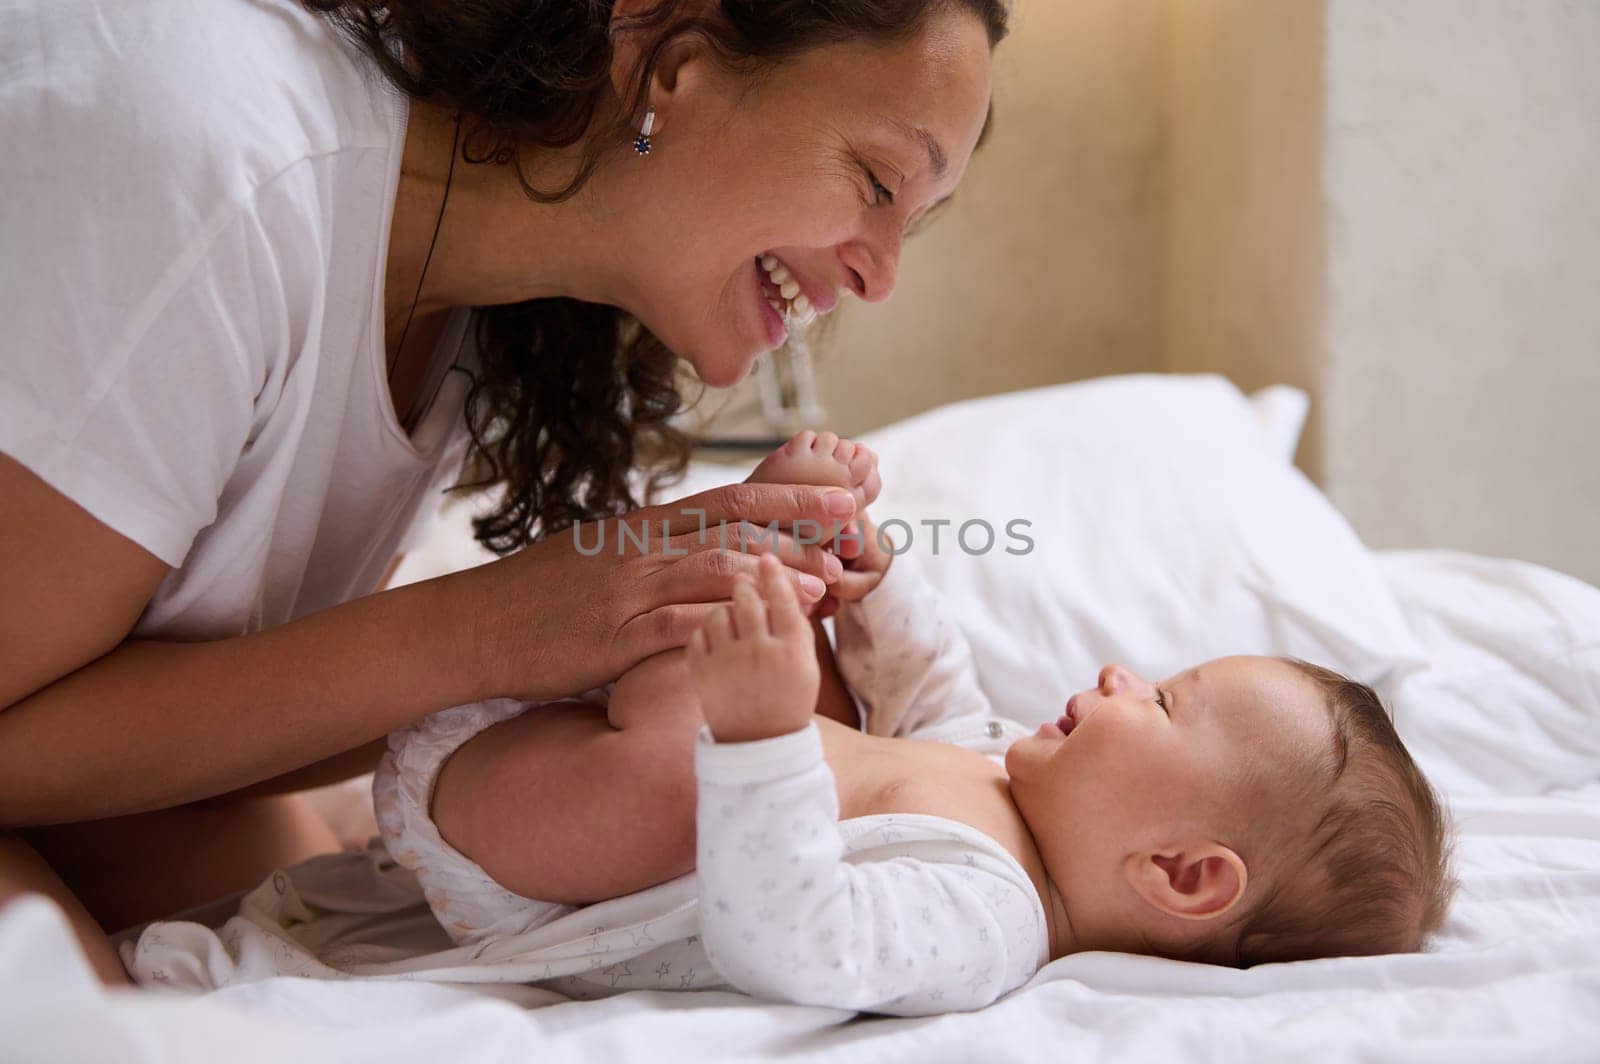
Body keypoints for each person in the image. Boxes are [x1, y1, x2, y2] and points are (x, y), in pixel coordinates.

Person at [0, 0, 1004, 984]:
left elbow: (232, 704)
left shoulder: (476, 319)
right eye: (876, 180)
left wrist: (601, 633)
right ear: (669, 62)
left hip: (74, 776)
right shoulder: (220, 160)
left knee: (300, 941)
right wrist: (496, 625)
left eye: (915, 222)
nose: (881, 278)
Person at [372, 431, 1457, 1014]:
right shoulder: (999, 771)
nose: (1125, 675)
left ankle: (752, 564)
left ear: (1178, 873)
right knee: (840, 687)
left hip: (527, 841)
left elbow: (797, 938)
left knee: (719, 763)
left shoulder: (988, 920)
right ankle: (793, 541)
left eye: (1165, 702)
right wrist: (870, 580)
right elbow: (929, 691)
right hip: (568, 745)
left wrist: (763, 737)